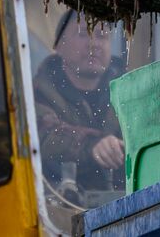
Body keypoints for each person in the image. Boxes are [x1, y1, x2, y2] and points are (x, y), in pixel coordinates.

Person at [33, 11, 126, 195]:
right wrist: (92, 146)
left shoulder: (129, 90)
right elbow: (43, 135)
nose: (94, 44)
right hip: (61, 212)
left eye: (102, 36)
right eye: (83, 34)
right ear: (59, 45)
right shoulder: (37, 94)